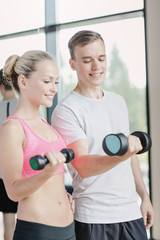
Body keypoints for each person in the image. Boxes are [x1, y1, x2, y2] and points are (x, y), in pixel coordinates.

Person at [52, 30, 154, 240]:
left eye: (101, 58)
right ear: (72, 64)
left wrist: (144, 196)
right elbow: (84, 166)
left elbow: (131, 152)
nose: (97, 67)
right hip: (94, 218)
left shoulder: (117, 101)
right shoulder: (67, 110)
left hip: (130, 213)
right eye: (87, 60)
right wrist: (125, 153)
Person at [0, 50, 76, 240]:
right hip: (38, 232)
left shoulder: (46, 125)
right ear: (23, 82)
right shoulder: (13, 128)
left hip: (68, 228)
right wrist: (46, 173)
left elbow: (53, 178)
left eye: (56, 82)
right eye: (47, 81)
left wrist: (63, 193)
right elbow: (13, 192)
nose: (54, 88)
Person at [0, 69, 18, 240]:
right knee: (28, 218)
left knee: (8, 221)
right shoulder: (23, 106)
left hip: (2, 176)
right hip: (22, 173)